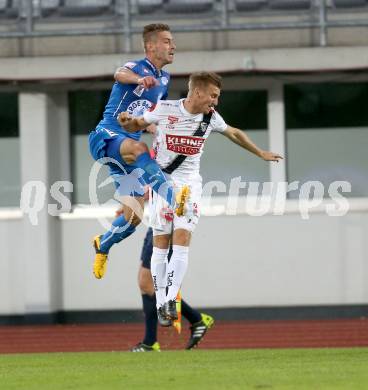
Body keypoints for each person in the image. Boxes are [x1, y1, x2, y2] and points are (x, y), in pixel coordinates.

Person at [118, 72, 283, 321]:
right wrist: (124, 122)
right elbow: (136, 125)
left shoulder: (211, 118)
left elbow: (234, 133)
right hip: (161, 183)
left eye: (217, 97)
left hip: (189, 186)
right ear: (197, 92)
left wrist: (260, 153)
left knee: (182, 240)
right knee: (161, 245)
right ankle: (162, 302)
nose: (215, 102)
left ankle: (171, 300)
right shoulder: (164, 109)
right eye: (213, 96)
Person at [88, 23, 187, 280]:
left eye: (172, 41)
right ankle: (174, 199)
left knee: (133, 218)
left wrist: (153, 126)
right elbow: (119, 74)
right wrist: (138, 79)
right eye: (167, 41)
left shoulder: (165, 79)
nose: (173, 46)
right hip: (107, 137)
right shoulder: (136, 67)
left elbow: (144, 112)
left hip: (128, 150)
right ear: (151, 46)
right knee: (140, 149)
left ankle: (103, 244)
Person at [131, 227, 214, 352]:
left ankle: (150, 343)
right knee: (145, 283)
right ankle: (196, 320)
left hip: (166, 226)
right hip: (155, 224)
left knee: (148, 282)